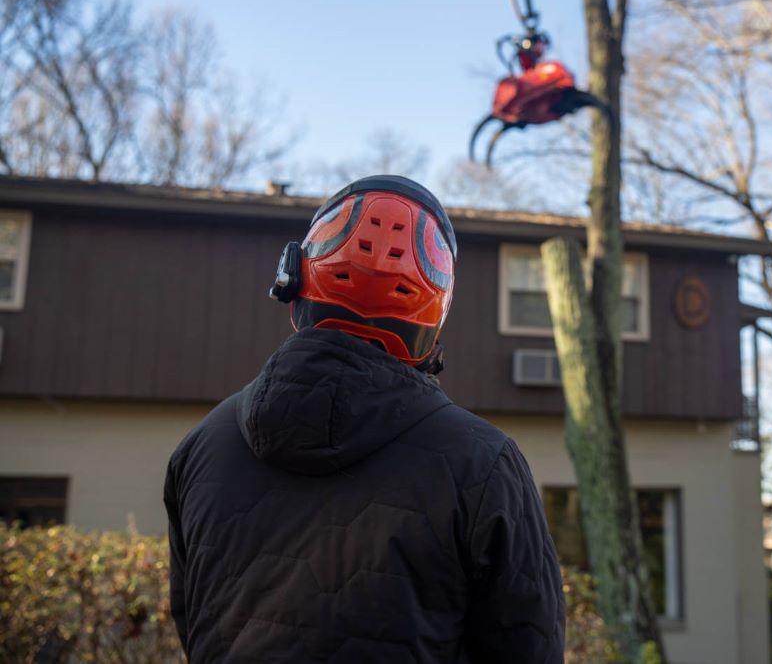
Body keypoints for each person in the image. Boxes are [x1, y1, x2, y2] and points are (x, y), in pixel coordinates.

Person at [163, 175, 565, 662]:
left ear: (297, 279)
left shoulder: (202, 448)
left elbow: (195, 626)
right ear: (433, 312)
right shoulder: (483, 465)